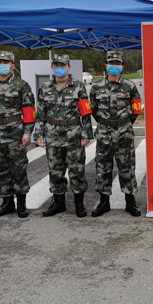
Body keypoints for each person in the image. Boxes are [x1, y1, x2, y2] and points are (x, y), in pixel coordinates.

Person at [33, 54, 94, 218]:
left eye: (63, 65)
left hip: (73, 135)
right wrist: (38, 133)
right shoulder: (45, 87)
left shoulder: (78, 86)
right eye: (56, 65)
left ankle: (79, 204)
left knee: (77, 170)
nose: (59, 68)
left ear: (69, 67)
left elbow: (85, 112)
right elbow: (41, 113)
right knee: (55, 171)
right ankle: (58, 203)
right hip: (52, 136)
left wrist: (86, 133)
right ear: (52, 67)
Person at [0, 51, 35, 218]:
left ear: (12, 66)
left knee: (18, 168)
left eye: (5, 62)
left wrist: (27, 133)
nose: (1, 65)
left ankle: (21, 204)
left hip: (14, 134)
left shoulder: (21, 85)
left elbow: (29, 112)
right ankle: (7, 202)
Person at [89, 51, 142, 217]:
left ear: (122, 66)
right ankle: (104, 201)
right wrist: (106, 123)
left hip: (124, 133)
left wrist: (124, 124)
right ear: (106, 66)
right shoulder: (96, 87)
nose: (114, 66)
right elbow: (93, 110)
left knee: (127, 167)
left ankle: (130, 201)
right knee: (102, 168)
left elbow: (136, 109)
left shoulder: (130, 86)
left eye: (117, 63)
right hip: (104, 134)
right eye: (111, 63)